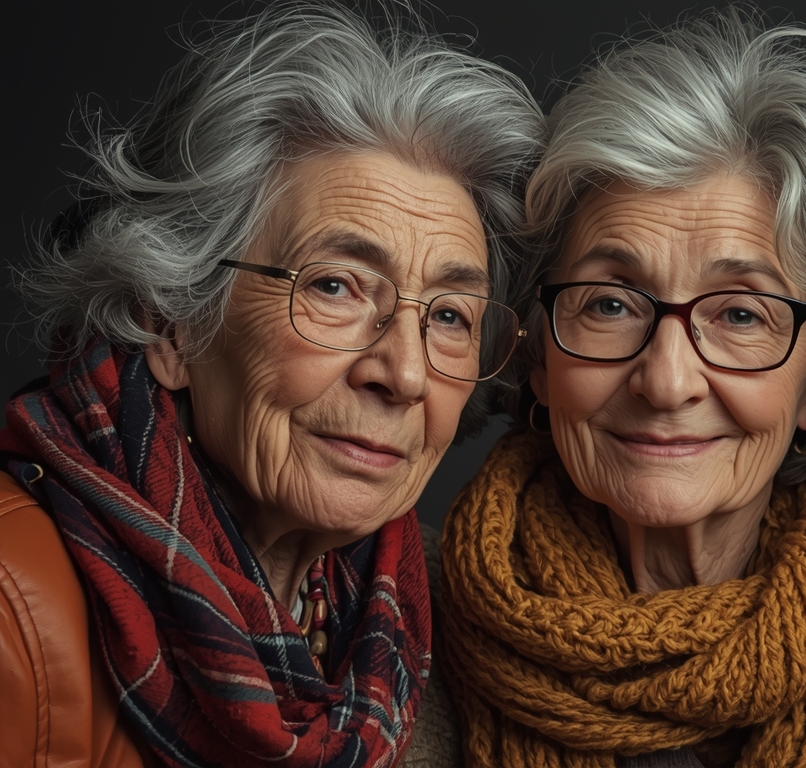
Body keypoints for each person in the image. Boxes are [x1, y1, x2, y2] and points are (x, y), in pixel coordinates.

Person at [0, 4, 543, 766]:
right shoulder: (11, 606)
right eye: (335, 286)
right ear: (172, 325)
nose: (406, 373)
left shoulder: (422, 616)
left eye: (450, 315)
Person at [429, 12, 806, 768]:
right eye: (608, 304)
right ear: (537, 358)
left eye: (738, 314)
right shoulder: (398, 646)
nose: (666, 381)